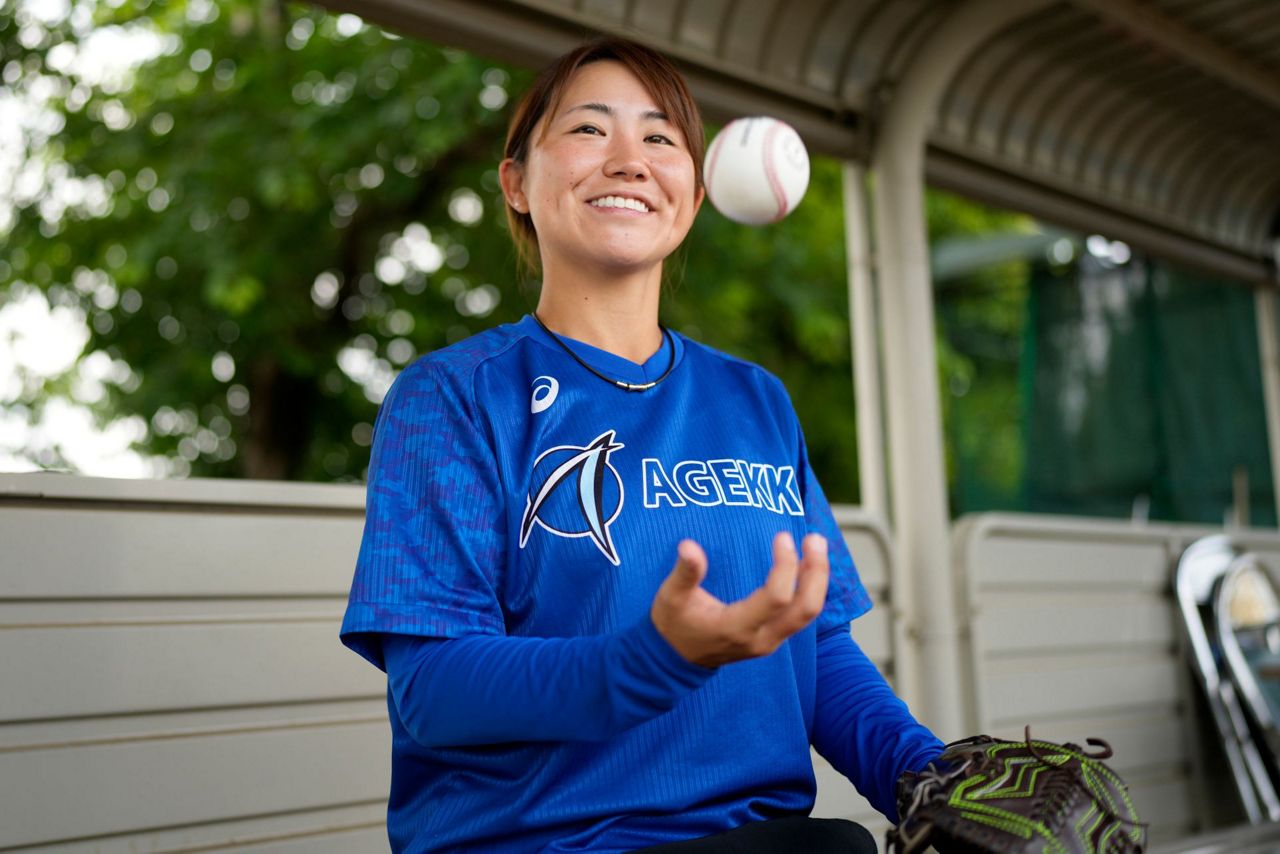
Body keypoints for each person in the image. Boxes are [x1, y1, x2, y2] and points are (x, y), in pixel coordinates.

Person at [340, 36, 943, 854]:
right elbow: (434, 691)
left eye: (661, 138)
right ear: (517, 183)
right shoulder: (451, 396)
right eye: (590, 130)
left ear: (692, 196)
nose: (629, 159)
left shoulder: (755, 399)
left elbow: (815, 650)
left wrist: (930, 780)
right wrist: (653, 659)